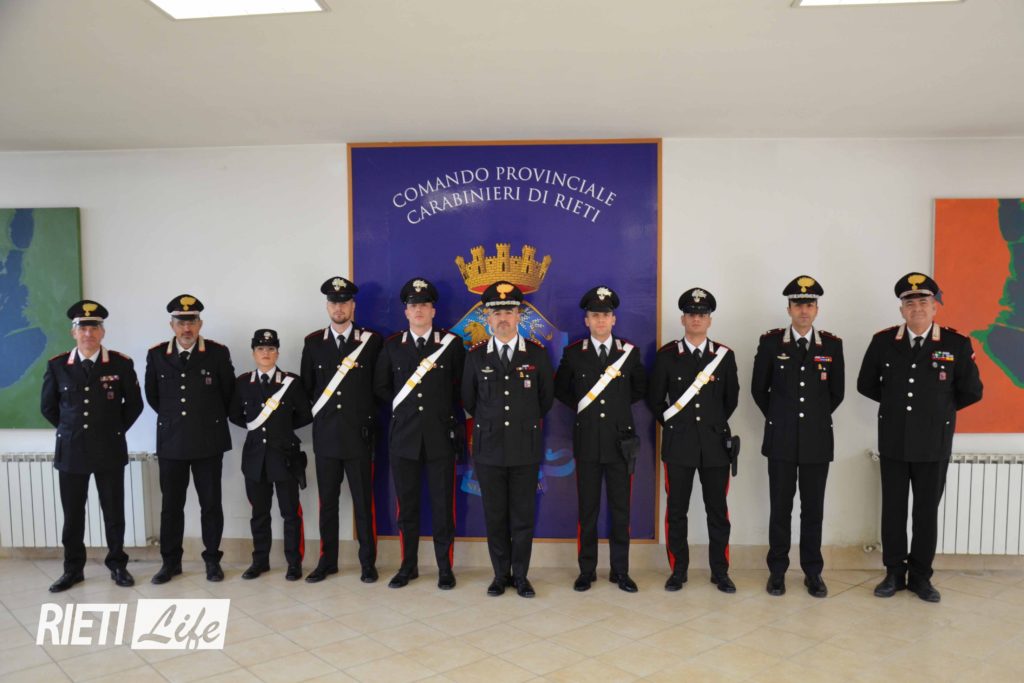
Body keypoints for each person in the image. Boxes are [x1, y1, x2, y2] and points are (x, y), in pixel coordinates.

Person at [857, 272, 982, 603]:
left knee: (926, 513)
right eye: (910, 303)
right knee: (893, 511)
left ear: (935, 307)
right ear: (902, 309)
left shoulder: (956, 344)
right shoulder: (883, 342)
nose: (917, 308)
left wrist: (937, 411)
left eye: (923, 302)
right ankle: (894, 573)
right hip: (894, 440)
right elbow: (866, 384)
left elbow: (972, 391)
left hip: (933, 443)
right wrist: (897, 407)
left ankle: (921, 576)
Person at [751, 275, 844, 598]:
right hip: (781, 440)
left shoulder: (832, 345)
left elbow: (836, 393)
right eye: (798, 304)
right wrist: (781, 419)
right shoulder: (771, 343)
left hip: (817, 442)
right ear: (788, 309)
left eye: (809, 304)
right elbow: (759, 390)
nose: (804, 310)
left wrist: (811, 421)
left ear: (817, 309)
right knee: (780, 509)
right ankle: (777, 571)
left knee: (813, 510)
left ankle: (813, 572)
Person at [41, 300, 144, 592]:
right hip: (71, 451)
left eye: (94, 327)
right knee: (73, 515)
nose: (88, 333)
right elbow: (48, 407)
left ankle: (118, 565)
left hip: (109, 448)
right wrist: (71, 431)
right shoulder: (58, 365)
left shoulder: (120, 364)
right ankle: (73, 569)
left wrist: (113, 431)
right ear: (73, 332)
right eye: (82, 327)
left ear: (102, 331)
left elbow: (134, 405)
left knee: (114, 512)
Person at [462, 281, 554, 598]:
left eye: (509, 312)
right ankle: (500, 575)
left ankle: (522, 576)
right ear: (488, 318)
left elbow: (545, 400)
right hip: (489, 449)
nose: (503, 318)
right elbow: (469, 400)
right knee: (495, 516)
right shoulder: (476, 356)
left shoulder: (537, 355)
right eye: (497, 312)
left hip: (524, 449)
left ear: (518, 316)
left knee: (523, 517)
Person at [554, 285, 647, 593]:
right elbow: (561, 390)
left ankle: (621, 571)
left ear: (614, 319)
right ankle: (587, 570)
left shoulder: (629, 353)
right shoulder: (574, 354)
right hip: (588, 442)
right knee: (588, 511)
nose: (600, 320)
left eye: (606, 315)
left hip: (621, 443)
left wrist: (616, 413)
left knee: (621, 511)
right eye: (595, 315)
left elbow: (639, 389)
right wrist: (589, 412)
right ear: (587, 320)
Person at [374, 278, 465, 590]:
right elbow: (381, 387)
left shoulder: (451, 345)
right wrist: (407, 411)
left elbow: (462, 388)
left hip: (440, 437)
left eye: (424, 305)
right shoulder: (392, 346)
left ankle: (445, 568)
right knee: (407, 508)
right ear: (406, 312)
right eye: (413, 306)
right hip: (404, 438)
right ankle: (407, 566)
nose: (419, 310)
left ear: (433, 310)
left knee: (443, 507)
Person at [648, 287, 740, 593]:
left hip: (715, 446)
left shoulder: (724, 356)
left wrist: (711, 426)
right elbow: (655, 399)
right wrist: (677, 427)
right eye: (691, 314)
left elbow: (730, 400)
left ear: (709, 320)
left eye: (702, 314)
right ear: (683, 319)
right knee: (676, 511)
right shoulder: (667, 356)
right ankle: (678, 570)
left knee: (718, 512)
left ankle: (720, 571)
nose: (696, 319)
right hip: (679, 445)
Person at [145, 294, 234, 584]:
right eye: (181, 322)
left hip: (208, 440)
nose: (187, 328)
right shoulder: (157, 355)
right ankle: (170, 563)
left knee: (211, 505)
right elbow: (153, 396)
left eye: (192, 322)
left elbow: (228, 394)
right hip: (171, 442)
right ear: (171, 325)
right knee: (171, 507)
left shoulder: (217, 353)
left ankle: (212, 560)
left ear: (200, 324)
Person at [301, 276, 382, 583]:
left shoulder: (370, 341)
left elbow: (378, 388)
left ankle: (368, 562)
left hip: (359, 436)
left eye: (344, 302)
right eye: (334, 303)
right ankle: (327, 561)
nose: (339, 308)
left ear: (353, 306)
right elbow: (308, 389)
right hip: (326, 437)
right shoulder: (313, 343)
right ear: (327, 306)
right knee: (328, 505)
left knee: (364, 504)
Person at [229, 329, 313, 581]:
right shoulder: (243, 383)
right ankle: (260, 561)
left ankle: (294, 563)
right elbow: (235, 414)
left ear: (277, 352)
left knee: (290, 513)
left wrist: (282, 430)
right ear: (253, 353)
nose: (265, 353)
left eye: (270, 349)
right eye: (260, 349)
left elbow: (305, 415)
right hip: (255, 458)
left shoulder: (291, 382)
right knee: (259, 514)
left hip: (284, 456)